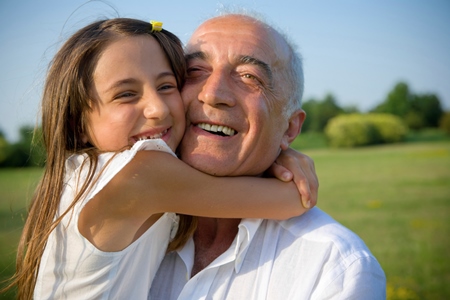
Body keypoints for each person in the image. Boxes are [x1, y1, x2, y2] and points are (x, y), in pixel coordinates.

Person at [4, 18, 318, 300]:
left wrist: (276, 141)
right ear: (78, 122)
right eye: (126, 94)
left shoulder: (84, 172)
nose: (158, 109)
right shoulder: (141, 174)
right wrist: (282, 153)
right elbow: (293, 199)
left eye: (167, 86)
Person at [149, 12, 386, 299]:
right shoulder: (130, 226)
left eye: (249, 77)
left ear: (290, 128)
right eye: (196, 70)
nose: (213, 94)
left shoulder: (335, 268)